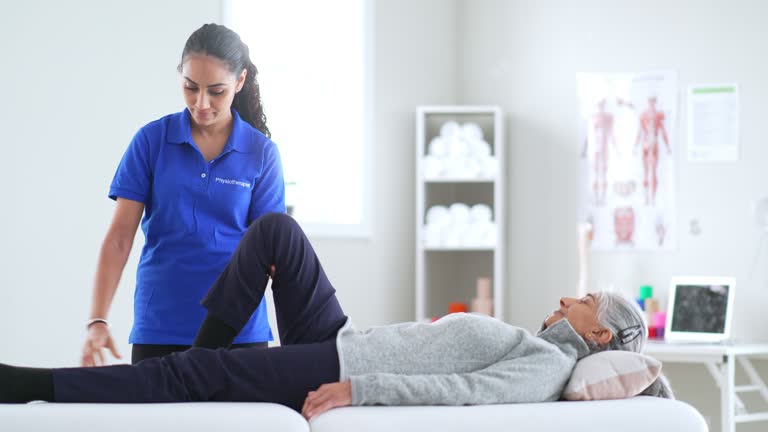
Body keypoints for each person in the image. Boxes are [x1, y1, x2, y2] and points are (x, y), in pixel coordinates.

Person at [1, 213, 672, 419]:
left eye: (578, 302)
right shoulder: (538, 342)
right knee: (276, 233)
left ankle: (28, 385)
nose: (563, 300)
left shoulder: (548, 364)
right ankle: (197, 365)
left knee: (193, 374)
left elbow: (467, 392)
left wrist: (362, 390)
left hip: (345, 366)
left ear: (600, 334)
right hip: (346, 340)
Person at [82, 23, 285, 366]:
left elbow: (272, 255)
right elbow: (119, 239)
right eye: (191, 87)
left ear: (239, 81)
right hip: (161, 330)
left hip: (239, 333)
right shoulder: (151, 141)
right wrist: (97, 320)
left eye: (216, 91)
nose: (201, 103)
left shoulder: (262, 153)